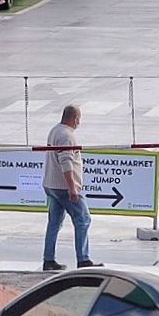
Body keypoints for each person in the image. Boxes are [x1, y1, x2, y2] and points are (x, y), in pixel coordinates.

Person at [43, 104, 99, 271]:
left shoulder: (54, 130)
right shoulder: (67, 136)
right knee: (83, 220)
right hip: (64, 187)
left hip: (51, 185)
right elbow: (66, 163)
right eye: (78, 120)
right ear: (74, 119)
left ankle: (48, 259)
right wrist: (72, 188)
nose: (78, 123)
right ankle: (83, 259)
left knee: (54, 223)